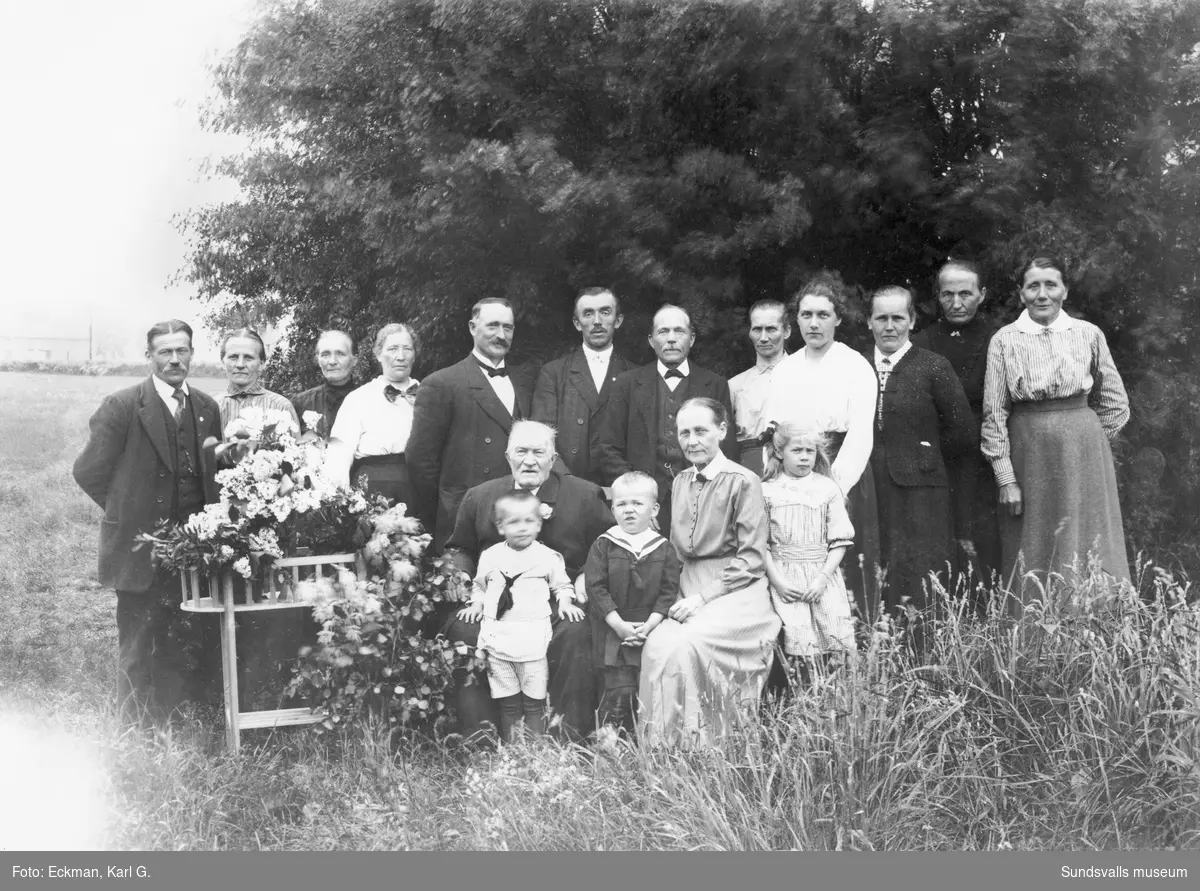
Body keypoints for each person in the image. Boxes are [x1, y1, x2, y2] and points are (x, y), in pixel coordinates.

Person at [72, 319, 224, 725]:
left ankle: (172, 716)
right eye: (165, 352)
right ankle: (133, 726)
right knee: (138, 638)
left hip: (193, 547)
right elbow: (88, 471)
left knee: (183, 630)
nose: (174, 359)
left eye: (182, 351)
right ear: (149, 357)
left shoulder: (207, 408)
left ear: (192, 353)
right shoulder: (122, 406)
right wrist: (126, 509)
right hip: (138, 547)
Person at [441, 421, 613, 739]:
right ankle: (483, 742)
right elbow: (458, 548)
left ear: (553, 457)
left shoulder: (584, 495)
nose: (529, 461)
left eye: (539, 452)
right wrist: (462, 574)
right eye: (521, 451)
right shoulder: (480, 497)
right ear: (508, 456)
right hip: (497, 602)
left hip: (555, 601)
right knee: (465, 630)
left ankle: (566, 742)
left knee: (575, 633)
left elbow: (609, 546)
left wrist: (588, 576)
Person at [982, 255, 1131, 610]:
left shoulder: (1088, 334)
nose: (1042, 294)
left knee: (1088, 538)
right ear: (1021, 294)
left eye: (1051, 284)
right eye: (1033, 286)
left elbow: (1116, 403)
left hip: (1083, 453)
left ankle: (1095, 630)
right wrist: (1006, 479)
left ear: (1064, 290)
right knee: (1033, 540)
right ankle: (1034, 637)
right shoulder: (1005, 340)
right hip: (1028, 452)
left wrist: (1088, 441)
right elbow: (993, 413)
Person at [638, 398, 782, 747]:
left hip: (736, 589)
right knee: (659, 644)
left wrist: (703, 599)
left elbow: (751, 559)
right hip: (688, 584)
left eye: (701, 431)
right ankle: (661, 746)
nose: (692, 441)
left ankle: (706, 744)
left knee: (692, 642)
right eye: (684, 433)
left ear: (722, 430)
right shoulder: (681, 480)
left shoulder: (743, 481)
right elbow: (674, 549)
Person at [764, 277, 882, 629]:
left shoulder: (855, 366)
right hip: (792, 480)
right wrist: (778, 483)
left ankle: (851, 649)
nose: (814, 324)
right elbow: (773, 434)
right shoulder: (786, 368)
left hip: (843, 476)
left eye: (823, 315)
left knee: (842, 563)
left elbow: (861, 434)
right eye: (806, 315)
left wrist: (833, 488)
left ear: (838, 319)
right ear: (795, 321)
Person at [867, 286, 976, 647]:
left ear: (912, 321)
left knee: (921, 567)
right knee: (878, 562)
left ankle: (924, 647)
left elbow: (961, 431)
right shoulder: (856, 366)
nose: (889, 326)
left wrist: (924, 455)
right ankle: (879, 644)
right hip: (870, 483)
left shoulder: (933, 365)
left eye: (898, 317)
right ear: (869, 322)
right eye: (881, 318)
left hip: (923, 489)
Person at [592, 304, 738, 536]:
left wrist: (711, 500)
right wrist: (638, 499)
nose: (671, 339)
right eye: (663, 332)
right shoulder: (626, 384)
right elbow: (608, 448)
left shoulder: (715, 383)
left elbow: (726, 448)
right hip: (646, 504)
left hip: (702, 502)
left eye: (679, 331)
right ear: (651, 340)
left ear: (691, 338)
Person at [407, 297, 535, 551]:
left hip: (520, 519)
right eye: (492, 326)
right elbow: (420, 460)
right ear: (472, 327)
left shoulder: (527, 382)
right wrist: (449, 507)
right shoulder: (442, 383)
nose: (501, 335)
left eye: (507, 328)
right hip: (466, 518)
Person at [456, 490, 575, 742]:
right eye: (513, 522)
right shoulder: (490, 556)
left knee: (534, 702)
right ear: (500, 526)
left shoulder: (547, 557)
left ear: (539, 524)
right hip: (499, 640)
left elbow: (562, 585)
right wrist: (476, 604)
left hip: (532, 641)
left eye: (529, 521)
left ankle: (535, 755)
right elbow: (480, 586)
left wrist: (565, 602)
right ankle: (513, 752)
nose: (523, 528)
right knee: (509, 703)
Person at [912, 260, 1000, 594]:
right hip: (936, 454)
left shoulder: (999, 340)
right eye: (948, 294)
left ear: (982, 295)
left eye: (966, 293)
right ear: (938, 296)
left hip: (984, 457)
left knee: (982, 533)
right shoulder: (920, 342)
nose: (957, 302)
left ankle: (985, 606)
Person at [584, 471, 681, 734]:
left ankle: (646, 742)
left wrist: (650, 624)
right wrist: (618, 625)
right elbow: (595, 587)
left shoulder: (663, 548)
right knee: (618, 687)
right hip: (613, 627)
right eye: (621, 504)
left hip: (651, 627)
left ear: (655, 508)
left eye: (637, 504)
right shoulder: (604, 545)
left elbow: (668, 590)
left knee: (647, 686)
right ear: (612, 508)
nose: (629, 510)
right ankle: (610, 742)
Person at [761, 425, 855, 678]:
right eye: (797, 450)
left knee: (833, 634)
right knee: (796, 636)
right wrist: (777, 581)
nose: (804, 457)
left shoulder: (827, 488)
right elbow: (761, 544)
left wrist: (822, 578)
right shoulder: (767, 491)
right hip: (784, 577)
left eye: (810, 451)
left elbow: (840, 540)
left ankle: (834, 700)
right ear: (780, 453)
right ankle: (798, 698)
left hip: (822, 576)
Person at [531, 287, 635, 481]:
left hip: (622, 489)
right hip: (568, 486)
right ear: (577, 323)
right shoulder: (553, 373)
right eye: (588, 314)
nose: (597, 321)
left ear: (618, 320)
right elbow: (542, 440)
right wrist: (568, 483)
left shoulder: (634, 375)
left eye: (605, 312)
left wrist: (628, 482)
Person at [326, 324, 420, 504]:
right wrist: (340, 504)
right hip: (372, 493)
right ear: (378, 354)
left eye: (407, 349)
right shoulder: (358, 398)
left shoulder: (430, 395)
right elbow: (338, 456)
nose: (400, 356)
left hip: (420, 490)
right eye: (392, 349)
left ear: (414, 355)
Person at [729, 299, 791, 476]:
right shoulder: (735, 386)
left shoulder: (806, 377)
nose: (763, 338)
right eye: (757, 329)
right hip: (750, 471)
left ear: (786, 331)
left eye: (771, 329)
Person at [217, 328, 301, 433]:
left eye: (248, 358)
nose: (240, 365)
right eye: (233, 357)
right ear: (222, 362)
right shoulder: (211, 407)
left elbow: (294, 447)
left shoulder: (281, 407)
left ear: (261, 364)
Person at [290, 329, 359, 438]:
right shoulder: (300, 404)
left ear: (354, 360)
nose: (332, 361)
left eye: (340, 354)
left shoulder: (368, 401)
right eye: (325, 354)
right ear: (318, 360)